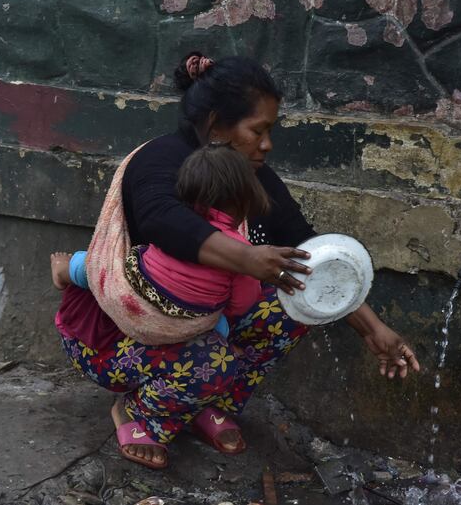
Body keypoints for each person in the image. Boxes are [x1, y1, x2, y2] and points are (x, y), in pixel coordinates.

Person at [50, 52, 421, 470]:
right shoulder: (158, 161)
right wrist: (247, 258)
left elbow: (308, 254)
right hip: (117, 338)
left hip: (201, 328)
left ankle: (204, 401)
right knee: (214, 358)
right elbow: (165, 222)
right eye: (257, 130)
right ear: (214, 124)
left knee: (296, 305)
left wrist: (375, 330)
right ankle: (139, 412)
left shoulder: (253, 176)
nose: (267, 144)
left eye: (270, 131)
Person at [53, 144, 270, 340]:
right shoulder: (240, 251)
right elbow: (243, 303)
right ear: (246, 199)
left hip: (134, 298)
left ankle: (67, 269)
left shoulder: (175, 223)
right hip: (187, 322)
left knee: (100, 267)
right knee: (221, 329)